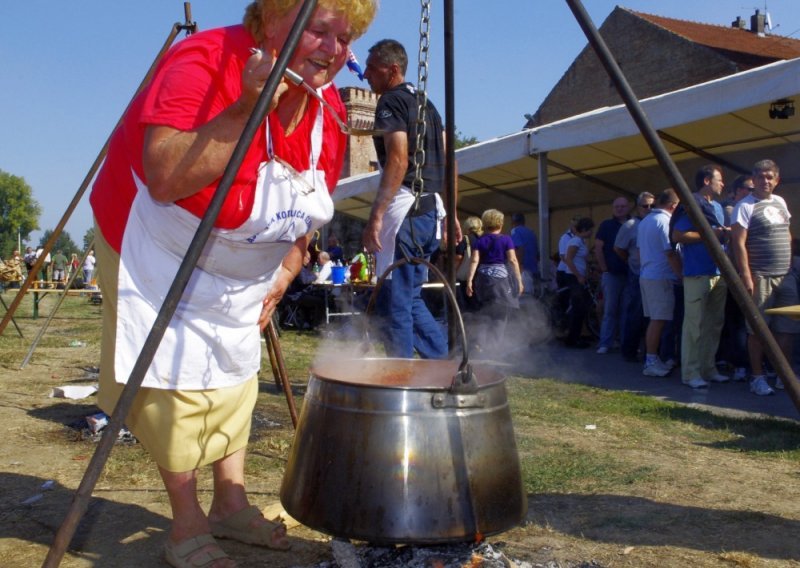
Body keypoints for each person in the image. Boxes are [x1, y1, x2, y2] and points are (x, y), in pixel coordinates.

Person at [87, 2, 377, 567]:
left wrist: (289, 262)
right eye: (318, 30)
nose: (333, 50)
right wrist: (250, 106)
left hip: (237, 263)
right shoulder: (203, 61)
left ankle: (230, 502)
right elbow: (167, 176)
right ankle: (186, 521)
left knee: (235, 372)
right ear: (272, 20)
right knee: (175, 383)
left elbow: (312, 199)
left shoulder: (327, 104)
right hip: (157, 244)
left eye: (345, 38)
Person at [362, 38, 460, 360]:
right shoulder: (427, 105)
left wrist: (376, 215)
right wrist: (452, 213)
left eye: (372, 69)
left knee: (396, 303)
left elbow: (399, 160)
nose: (365, 75)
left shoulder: (391, 102)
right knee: (411, 297)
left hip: (407, 211)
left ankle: (399, 378)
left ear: (392, 70)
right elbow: (450, 162)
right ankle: (441, 364)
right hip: (429, 211)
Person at [731, 159, 799, 396]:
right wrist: (746, 275)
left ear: (777, 180)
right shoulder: (745, 205)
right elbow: (738, 243)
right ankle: (757, 377)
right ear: (754, 179)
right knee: (758, 330)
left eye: (770, 177)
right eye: (761, 176)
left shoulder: (780, 202)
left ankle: (784, 375)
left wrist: (790, 263)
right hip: (760, 276)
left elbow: (787, 233)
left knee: (787, 329)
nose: (765, 181)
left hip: (785, 275)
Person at [671, 165, 731, 389]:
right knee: (694, 325)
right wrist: (712, 234)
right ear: (707, 181)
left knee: (714, 323)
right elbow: (678, 235)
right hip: (696, 273)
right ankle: (691, 372)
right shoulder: (691, 204)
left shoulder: (716, 207)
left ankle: (708, 368)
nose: (722, 184)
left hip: (718, 272)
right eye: (719, 180)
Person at [638, 189, 682, 377]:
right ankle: (651, 361)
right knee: (658, 320)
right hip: (660, 277)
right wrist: (681, 275)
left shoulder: (645, 221)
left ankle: (653, 359)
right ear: (673, 205)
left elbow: (640, 251)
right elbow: (670, 253)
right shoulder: (664, 221)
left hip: (647, 274)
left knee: (655, 319)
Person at [465, 209, 523, 350]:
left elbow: (474, 261)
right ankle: (494, 348)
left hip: (483, 280)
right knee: (501, 315)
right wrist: (519, 281)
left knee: (486, 313)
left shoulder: (480, 241)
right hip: (501, 282)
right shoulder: (506, 240)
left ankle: (480, 342)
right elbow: (513, 260)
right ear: (501, 224)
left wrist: (469, 281)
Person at [717, 174, 754, 381]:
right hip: (735, 272)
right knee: (737, 320)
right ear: (738, 190)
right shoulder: (732, 210)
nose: (752, 192)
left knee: (737, 320)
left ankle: (733, 360)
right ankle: (740, 363)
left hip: (743, 271)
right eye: (749, 188)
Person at [613, 191, 654, 362]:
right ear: (638, 207)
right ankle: (629, 351)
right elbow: (618, 248)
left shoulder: (656, 222)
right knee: (634, 314)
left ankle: (649, 352)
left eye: (652, 205)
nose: (649, 209)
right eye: (645, 206)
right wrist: (631, 261)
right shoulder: (630, 225)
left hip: (653, 276)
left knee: (652, 316)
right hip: (636, 274)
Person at [594, 197, 631, 354]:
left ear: (628, 208)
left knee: (627, 310)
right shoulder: (606, 225)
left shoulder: (635, 225)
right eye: (617, 206)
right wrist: (604, 268)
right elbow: (598, 248)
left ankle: (625, 343)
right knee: (610, 310)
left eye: (623, 206)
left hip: (631, 274)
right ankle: (605, 343)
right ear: (612, 208)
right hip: (612, 274)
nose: (620, 209)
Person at [561, 217, 595, 348]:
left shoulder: (581, 241)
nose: (592, 232)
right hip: (574, 278)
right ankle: (572, 339)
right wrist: (579, 275)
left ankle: (575, 337)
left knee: (580, 309)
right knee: (577, 309)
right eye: (590, 229)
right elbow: (568, 260)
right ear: (585, 229)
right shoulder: (575, 241)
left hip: (578, 277)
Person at [510, 213, 539, 297]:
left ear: (513, 222)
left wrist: (519, 265)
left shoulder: (515, 231)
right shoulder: (531, 232)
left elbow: (519, 248)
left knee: (522, 296)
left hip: (523, 269)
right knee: (530, 295)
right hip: (533, 267)